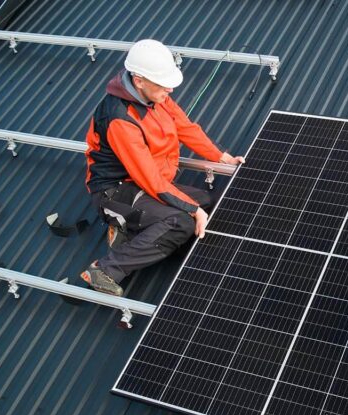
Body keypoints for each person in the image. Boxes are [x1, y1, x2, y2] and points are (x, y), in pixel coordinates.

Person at [81, 39, 244, 296]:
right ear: (139, 80)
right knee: (182, 221)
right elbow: (150, 180)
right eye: (163, 83)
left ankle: (129, 226)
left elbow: (184, 127)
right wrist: (192, 211)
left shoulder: (156, 95)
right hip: (115, 190)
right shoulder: (119, 119)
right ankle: (105, 270)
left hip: (142, 183)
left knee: (203, 199)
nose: (169, 88)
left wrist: (221, 157)